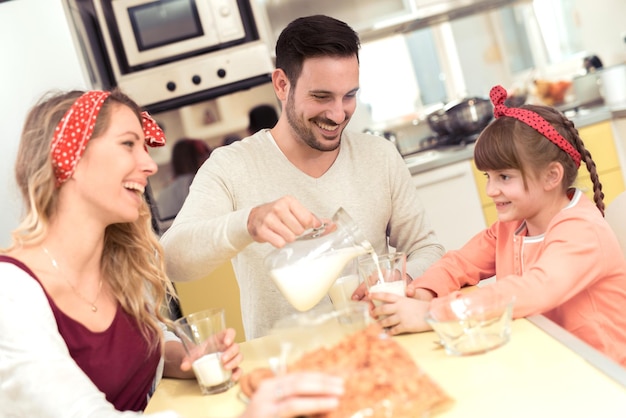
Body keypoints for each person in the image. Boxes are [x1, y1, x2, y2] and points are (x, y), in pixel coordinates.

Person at [0, 88, 345, 417]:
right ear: (69, 158)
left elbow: (143, 345)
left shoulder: (115, 264)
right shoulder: (11, 294)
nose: (149, 166)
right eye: (128, 145)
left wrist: (190, 356)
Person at [160, 14, 445, 340]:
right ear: (282, 84)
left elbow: (427, 248)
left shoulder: (379, 156)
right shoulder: (232, 166)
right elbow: (172, 260)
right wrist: (249, 223)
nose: (338, 114)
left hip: (381, 348)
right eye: (321, 97)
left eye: (349, 95)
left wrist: (402, 280)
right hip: (288, 366)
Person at [374, 85, 626, 366]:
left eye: (504, 177)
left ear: (551, 176)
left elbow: (528, 291)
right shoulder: (514, 225)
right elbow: (460, 263)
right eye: (488, 177)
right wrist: (424, 291)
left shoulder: (582, 232)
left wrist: (430, 314)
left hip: (601, 372)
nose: (491, 189)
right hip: (546, 356)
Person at [156, 138, 211, 220]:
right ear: (196, 159)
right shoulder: (197, 184)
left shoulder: (163, 193)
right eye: (203, 156)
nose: (208, 159)